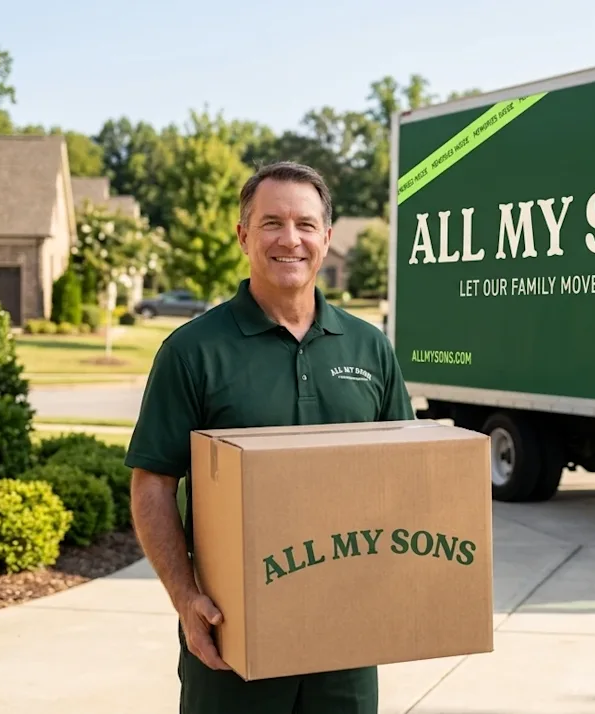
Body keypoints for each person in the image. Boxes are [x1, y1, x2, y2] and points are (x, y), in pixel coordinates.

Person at [125, 161, 415, 713]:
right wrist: (185, 598)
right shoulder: (193, 351)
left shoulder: (369, 347)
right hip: (232, 636)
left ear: (326, 237)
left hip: (348, 638)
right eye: (271, 223)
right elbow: (153, 483)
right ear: (243, 236)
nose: (290, 239)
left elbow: (401, 474)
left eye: (305, 225)